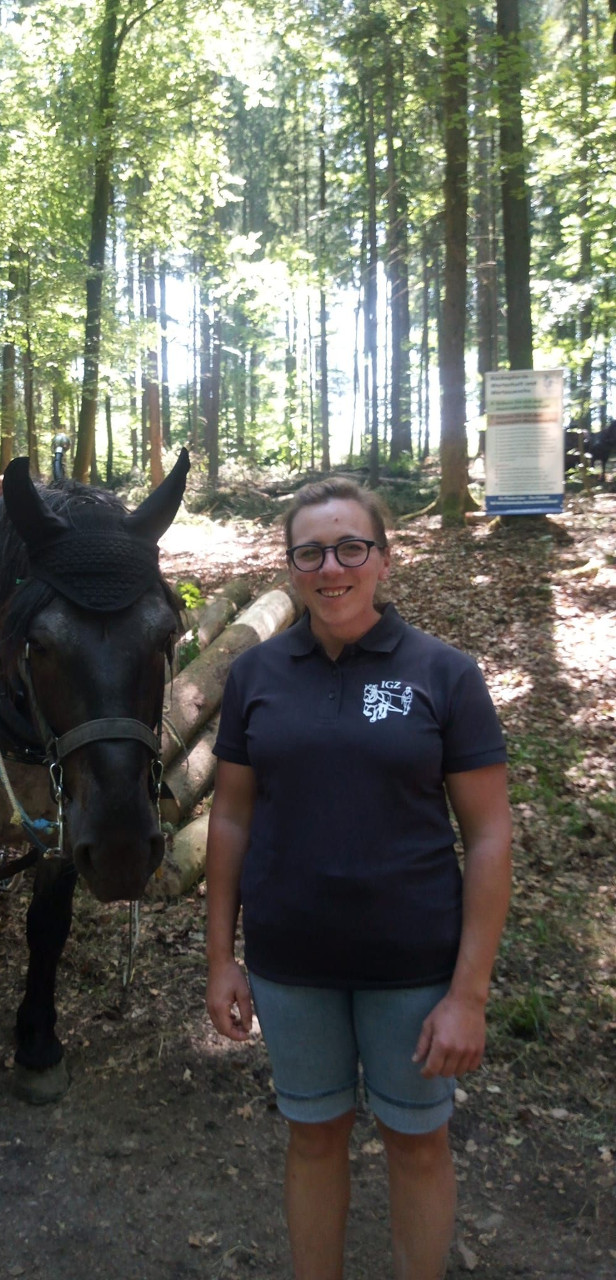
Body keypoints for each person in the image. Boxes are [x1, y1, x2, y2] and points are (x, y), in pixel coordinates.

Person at [206, 477, 512, 1280]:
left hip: (413, 967)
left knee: (417, 1143)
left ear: (384, 558)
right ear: (291, 567)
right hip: (290, 962)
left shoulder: (445, 675)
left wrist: (469, 993)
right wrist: (220, 959)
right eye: (310, 552)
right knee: (313, 1137)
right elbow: (231, 820)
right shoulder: (256, 676)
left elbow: (488, 835)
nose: (330, 567)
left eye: (350, 548)